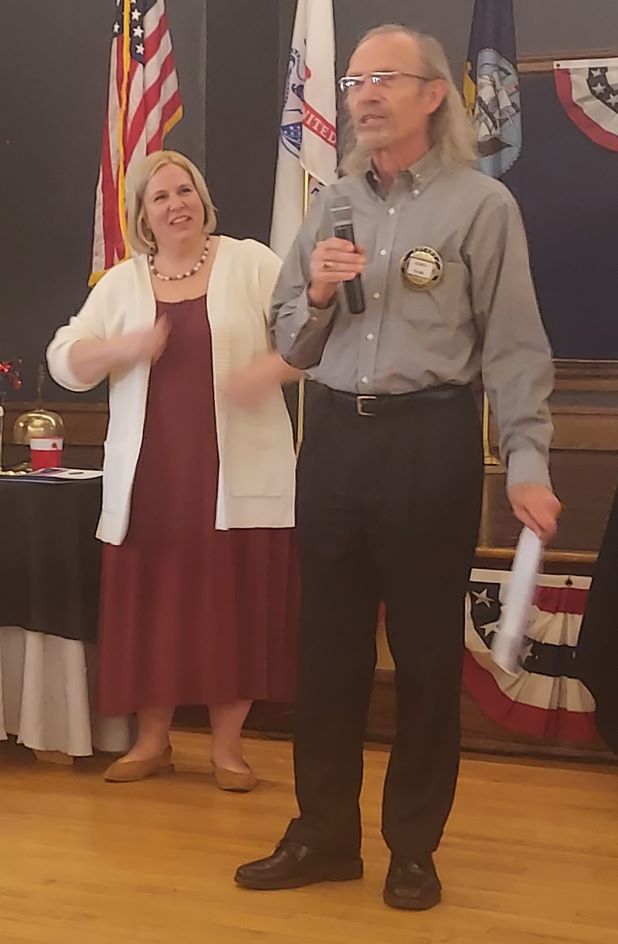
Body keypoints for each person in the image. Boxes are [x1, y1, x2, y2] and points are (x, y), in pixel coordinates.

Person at [235, 25, 561, 909]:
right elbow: (289, 339)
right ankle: (324, 834)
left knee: (422, 659)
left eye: (385, 77)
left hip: (430, 441)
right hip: (335, 443)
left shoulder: (481, 206)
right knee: (325, 655)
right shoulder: (332, 203)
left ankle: (413, 847)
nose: (365, 95)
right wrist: (319, 293)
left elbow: (515, 346)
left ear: (433, 95)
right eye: (353, 82)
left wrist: (527, 459)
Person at [47, 150, 299, 788]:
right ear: (142, 215)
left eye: (184, 191)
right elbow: (64, 360)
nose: (175, 204)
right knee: (153, 610)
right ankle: (152, 742)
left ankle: (227, 749)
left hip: (235, 477)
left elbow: (309, 338)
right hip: (150, 483)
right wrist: (123, 346)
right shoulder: (122, 284)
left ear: (202, 199)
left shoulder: (251, 262)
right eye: (159, 197)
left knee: (232, 607)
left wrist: (267, 372)